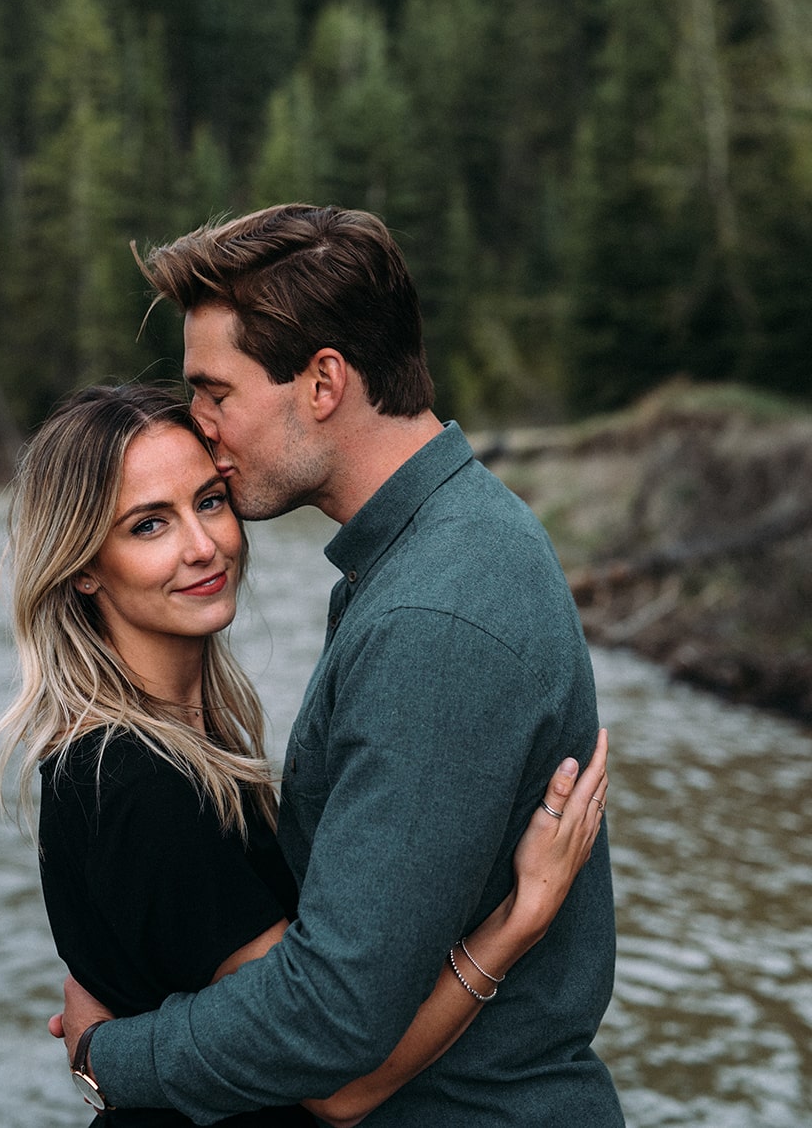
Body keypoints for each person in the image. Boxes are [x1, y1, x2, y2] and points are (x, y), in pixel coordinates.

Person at [51, 204, 625, 1126]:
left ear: (322, 382)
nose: (200, 424)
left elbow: (331, 1021)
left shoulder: (435, 613)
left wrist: (108, 1055)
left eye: (216, 391)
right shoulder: (427, 551)